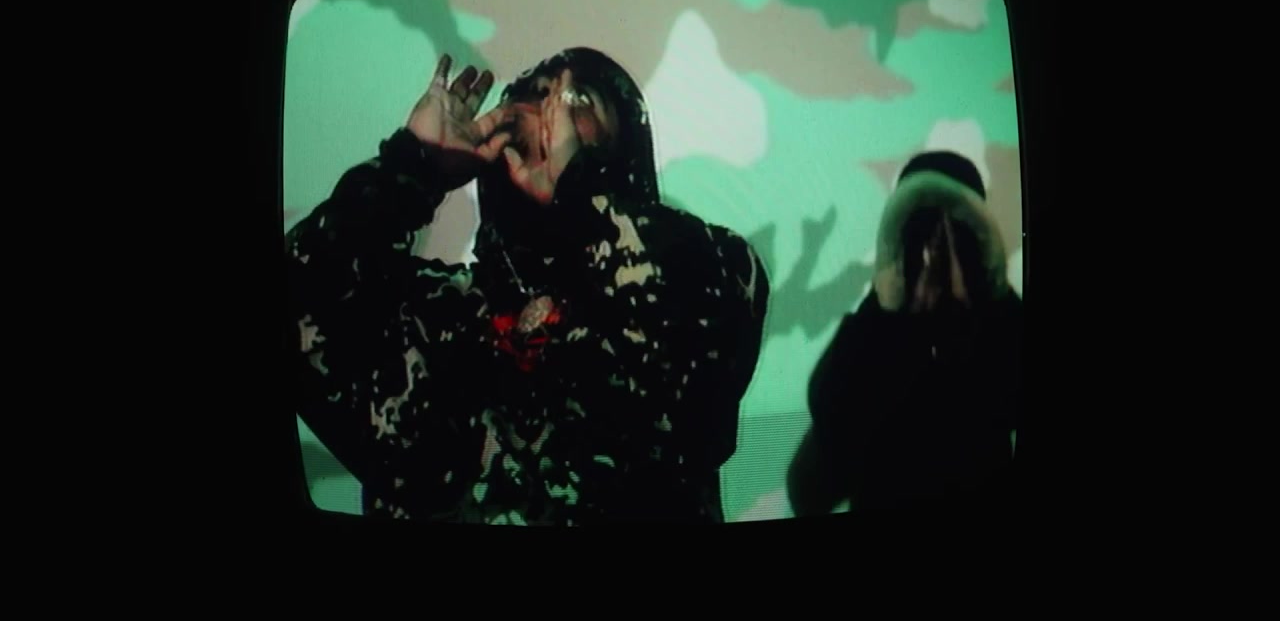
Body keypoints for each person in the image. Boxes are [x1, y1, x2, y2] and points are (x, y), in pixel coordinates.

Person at [288, 47, 770, 524]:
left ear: (624, 147)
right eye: (531, 96)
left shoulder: (713, 269)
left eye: (576, 99)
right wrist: (411, 167)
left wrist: (580, 193)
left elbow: (692, 350)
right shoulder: (435, 316)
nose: (549, 110)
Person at [787, 151, 1021, 513]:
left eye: (956, 232)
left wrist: (991, 305)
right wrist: (887, 319)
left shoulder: (997, 336)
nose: (936, 253)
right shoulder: (876, 339)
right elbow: (809, 491)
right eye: (922, 230)